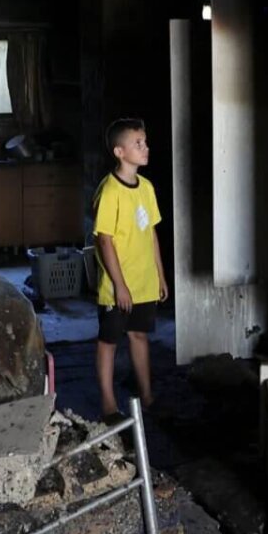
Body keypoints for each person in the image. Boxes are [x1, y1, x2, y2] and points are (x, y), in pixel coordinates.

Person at [92, 116, 168, 419]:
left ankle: (147, 395)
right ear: (119, 152)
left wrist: (160, 275)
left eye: (145, 142)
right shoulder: (110, 191)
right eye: (138, 143)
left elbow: (151, 234)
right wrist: (119, 285)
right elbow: (105, 241)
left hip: (144, 281)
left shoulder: (146, 188)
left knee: (139, 335)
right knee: (109, 342)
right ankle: (109, 405)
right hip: (116, 287)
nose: (145, 147)